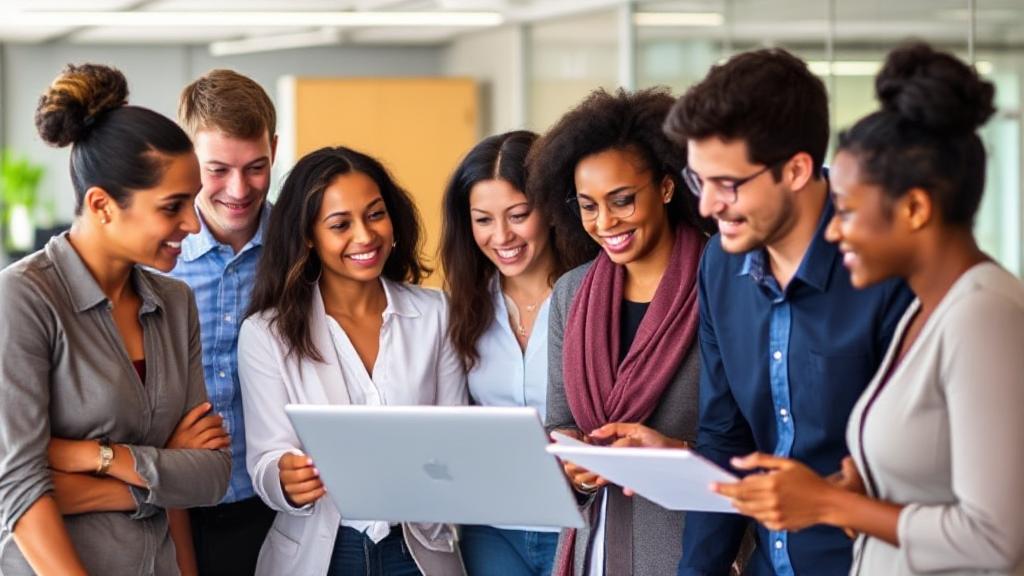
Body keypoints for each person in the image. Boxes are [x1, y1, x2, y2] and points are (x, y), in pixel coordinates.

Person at [596, 48, 914, 576]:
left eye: (728, 184)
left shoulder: (889, 270)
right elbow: (727, 436)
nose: (706, 207)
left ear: (795, 169)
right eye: (699, 181)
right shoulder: (721, 264)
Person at [715, 42, 1024, 576]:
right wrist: (854, 489)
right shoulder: (923, 314)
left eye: (848, 211)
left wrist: (830, 504)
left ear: (914, 208)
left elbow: (995, 539)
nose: (833, 230)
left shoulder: (986, 315)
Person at [0, 63, 230, 575]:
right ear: (102, 205)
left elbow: (210, 475)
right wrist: (156, 472)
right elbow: (17, 490)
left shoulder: (174, 302)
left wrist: (91, 456)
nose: (193, 224)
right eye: (173, 207)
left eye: (192, 202)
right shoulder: (24, 297)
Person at [238, 146, 468, 576]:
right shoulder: (265, 333)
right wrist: (284, 478)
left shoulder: (437, 314)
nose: (365, 236)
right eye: (340, 224)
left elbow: (455, 435)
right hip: (323, 548)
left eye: (375, 214)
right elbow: (267, 459)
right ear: (308, 235)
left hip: (416, 547)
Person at [526, 87, 711, 576]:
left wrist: (675, 454)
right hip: (595, 544)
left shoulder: (722, 282)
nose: (605, 222)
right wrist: (577, 467)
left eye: (622, 201)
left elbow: (755, 430)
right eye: (588, 206)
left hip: (693, 542)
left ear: (667, 188)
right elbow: (559, 420)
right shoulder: (572, 292)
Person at [441, 130, 579, 576]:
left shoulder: (588, 296)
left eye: (518, 215)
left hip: (578, 517)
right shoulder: (463, 305)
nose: (502, 236)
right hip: (492, 525)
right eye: (483, 219)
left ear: (553, 209)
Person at [170, 68, 278, 576]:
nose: (239, 189)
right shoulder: (153, 258)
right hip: (171, 505)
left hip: (278, 505)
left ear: (275, 149)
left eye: (256, 167)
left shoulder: (302, 250)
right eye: (217, 170)